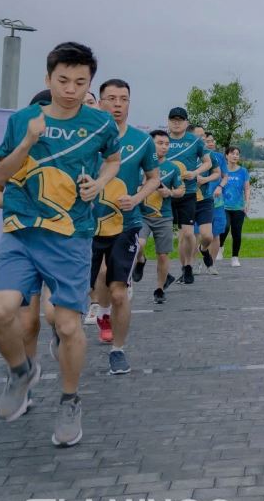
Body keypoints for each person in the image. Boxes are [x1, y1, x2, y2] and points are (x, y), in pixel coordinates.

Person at [0, 42, 122, 447]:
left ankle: (69, 400)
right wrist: (27, 142)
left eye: (80, 82)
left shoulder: (100, 124)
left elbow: (112, 161)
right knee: (1, 310)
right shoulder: (23, 120)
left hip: (70, 237)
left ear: (89, 84)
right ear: (48, 78)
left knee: (66, 325)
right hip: (21, 232)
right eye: (63, 80)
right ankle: (20, 372)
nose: (71, 89)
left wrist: (99, 183)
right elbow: (0, 174)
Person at [90, 79, 159, 375]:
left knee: (118, 292)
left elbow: (154, 178)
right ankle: (96, 315)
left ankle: (118, 350)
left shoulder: (142, 141)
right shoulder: (86, 137)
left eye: (123, 99)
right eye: (111, 98)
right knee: (89, 288)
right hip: (86, 226)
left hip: (125, 225)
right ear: (100, 102)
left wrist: (137, 198)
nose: (117, 104)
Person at [163, 108, 212, 285]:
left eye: (180, 120)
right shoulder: (162, 140)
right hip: (164, 194)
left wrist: (195, 173)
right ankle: (164, 271)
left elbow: (208, 163)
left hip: (188, 192)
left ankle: (188, 266)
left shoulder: (194, 141)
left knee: (188, 233)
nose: (176, 123)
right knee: (165, 234)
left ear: (186, 122)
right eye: (173, 119)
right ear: (168, 121)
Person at [140, 131, 184, 304]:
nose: (164, 147)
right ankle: (140, 260)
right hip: (140, 214)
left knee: (163, 255)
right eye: (160, 143)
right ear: (150, 144)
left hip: (163, 216)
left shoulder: (172, 168)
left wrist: (170, 192)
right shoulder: (139, 164)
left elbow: (181, 190)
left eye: (167, 144)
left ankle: (159, 289)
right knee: (139, 244)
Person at [191, 124, 226, 272]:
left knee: (213, 234)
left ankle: (211, 264)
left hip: (214, 201)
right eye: (203, 137)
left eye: (206, 138)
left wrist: (219, 186)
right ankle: (193, 264)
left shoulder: (216, 156)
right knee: (195, 234)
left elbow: (222, 175)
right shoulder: (188, 155)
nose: (206, 141)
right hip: (194, 200)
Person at [219, 147, 249, 268]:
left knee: (236, 232)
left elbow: (247, 188)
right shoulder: (221, 170)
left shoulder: (243, 171)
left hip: (238, 207)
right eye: (232, 153)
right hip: (223, 205)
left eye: (237, 154)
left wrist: (247, 203)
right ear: (226, 155)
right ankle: (220, 246)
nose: (235, 156)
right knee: (225, 226)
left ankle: (235, 257)